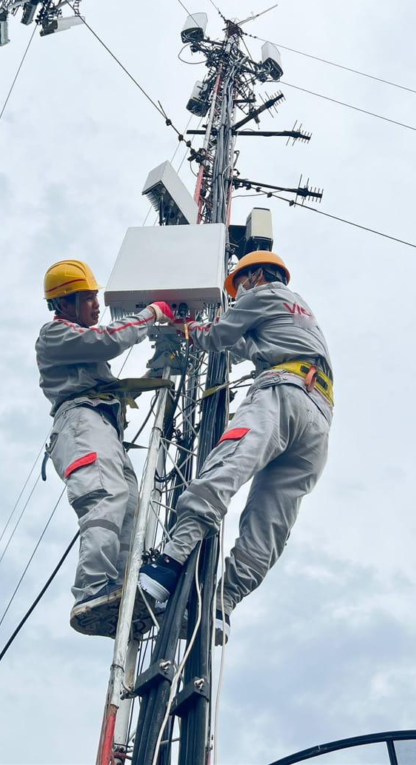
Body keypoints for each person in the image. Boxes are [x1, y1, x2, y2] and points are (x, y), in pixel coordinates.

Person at [138, 251, 333, 643]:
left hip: (281, 393)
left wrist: (189, 328)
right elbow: (244, 345)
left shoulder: (262, 293)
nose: (238, 292)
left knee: (224, 469)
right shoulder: (298, 312)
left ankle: (168, 568)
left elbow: (220, 337)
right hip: (319, 416)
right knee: (270, 524)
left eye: (240, 284)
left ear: (257, 275)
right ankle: (221, 605)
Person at [36, 259, 173, 636]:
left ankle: (120, 590)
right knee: (105, 496)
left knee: (129, 504)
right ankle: (93, 589)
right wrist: (151, 315)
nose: (96, 305)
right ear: (64, 303)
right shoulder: (56, 335)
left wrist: (160, 367)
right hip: (80, 424)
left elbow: (111, 377)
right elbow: (108, 341)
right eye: (87, 298)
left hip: (101, 427)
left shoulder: (79, 348)